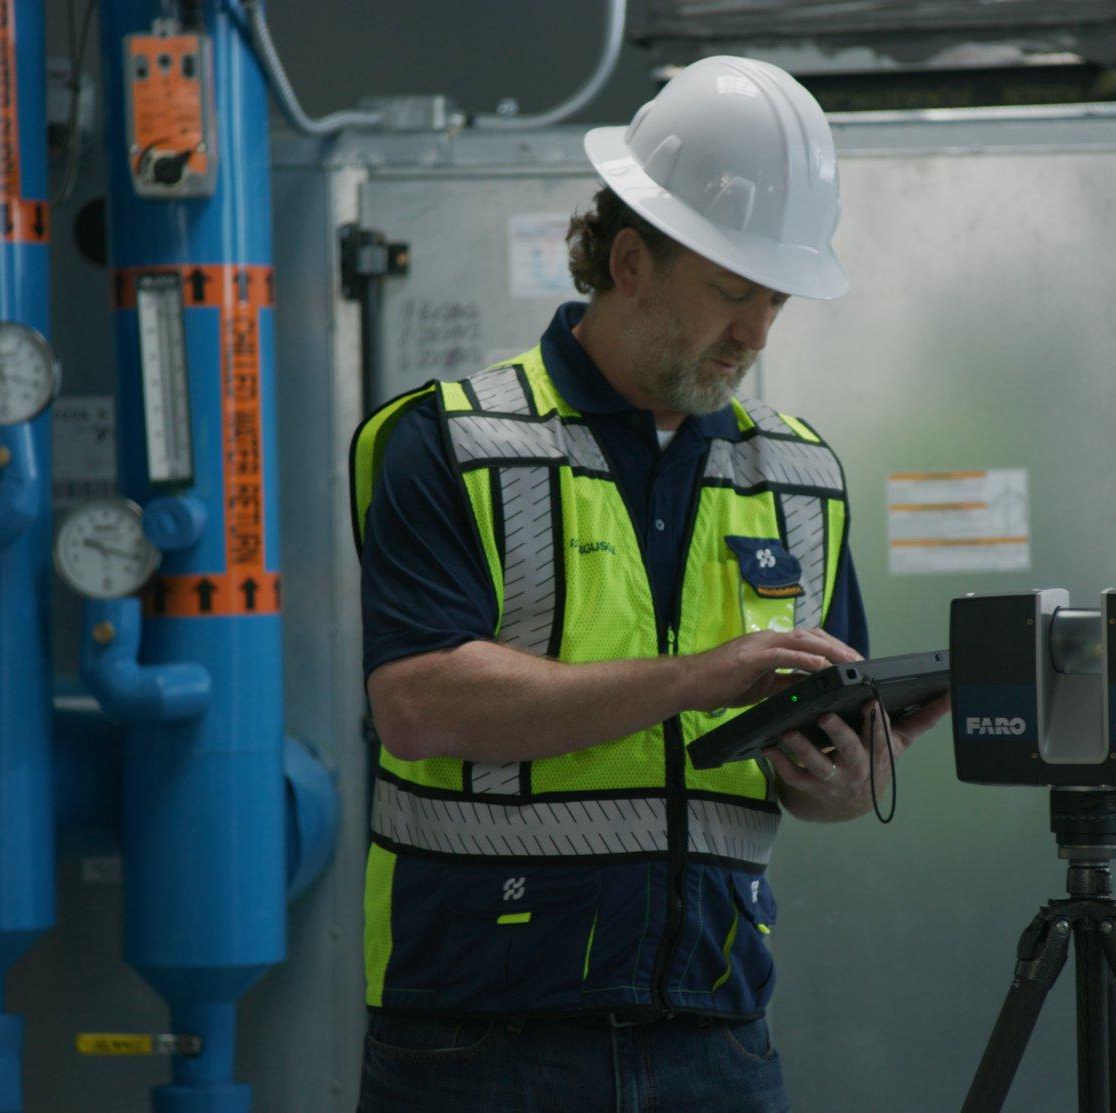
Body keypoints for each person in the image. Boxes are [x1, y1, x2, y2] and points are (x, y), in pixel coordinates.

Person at [350, 56, 949, 1113]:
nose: (757, 332)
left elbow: (814, 771)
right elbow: (418, 704)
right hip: (483, 1038)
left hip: (713, 1033)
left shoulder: (800, 472)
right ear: (629, 260)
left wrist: (847, 782)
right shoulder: (448, 440)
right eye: (730, 292)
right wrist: (702, 676)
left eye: (775, 298)